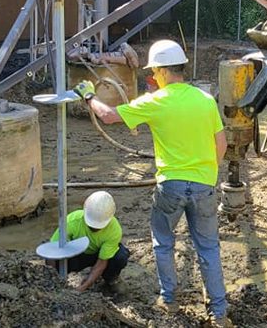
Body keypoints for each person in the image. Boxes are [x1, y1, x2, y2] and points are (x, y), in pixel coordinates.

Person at [75, 39, 229, 326]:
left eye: (154, 72)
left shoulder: (156, 101)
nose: (154, 77)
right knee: (208, 248)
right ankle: (219, 313)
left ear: (161, 71)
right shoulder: (206, 100)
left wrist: (87, 96)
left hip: (170, 184)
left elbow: (108, 116)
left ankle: (168, 300)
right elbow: (221, 146)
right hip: (205, 184)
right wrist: (205, 174)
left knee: (163, 243)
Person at [45, 190, 130, 293]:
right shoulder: (72, 221)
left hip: (97, 255)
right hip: (75, 255)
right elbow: (52, 251)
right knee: (54, 255)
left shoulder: (114, 230)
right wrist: (53, 279)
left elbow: (102, 261)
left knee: (120, 257)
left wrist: (82, 288)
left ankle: (111, 279)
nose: (94, 228)